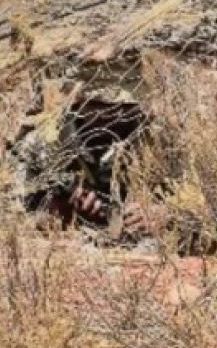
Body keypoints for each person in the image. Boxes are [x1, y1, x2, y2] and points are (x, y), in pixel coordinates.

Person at [11, 51, 161, 239]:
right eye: (99, 106)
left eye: (125, 106)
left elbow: (198, 203)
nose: (115, 113)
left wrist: (162, 215)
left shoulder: (160, 137)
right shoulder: (42, 143)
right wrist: (58, 211)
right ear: (76, 105)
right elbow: (15, 218)